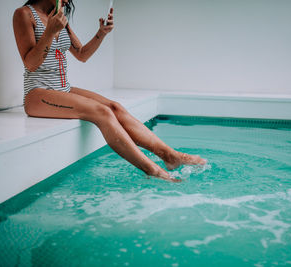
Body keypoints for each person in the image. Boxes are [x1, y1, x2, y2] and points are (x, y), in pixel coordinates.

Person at [13, 0, 207, 182]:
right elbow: (30, 64)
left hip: (62, 88)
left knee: (115, 107)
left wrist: (101, 33)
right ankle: (153, 170)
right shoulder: (24, 14)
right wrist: (49, 32)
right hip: (37, 94)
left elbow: (81, 54)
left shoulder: (58, 16)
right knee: (102, 112)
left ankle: (169, 155)